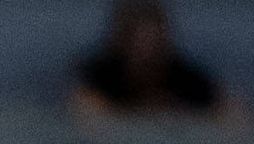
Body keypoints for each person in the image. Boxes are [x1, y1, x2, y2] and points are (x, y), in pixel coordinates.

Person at [71, 0, 236, 117]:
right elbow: (84, 107)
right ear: (122, 42)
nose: (147, 54)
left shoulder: (184, 77)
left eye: (154, 44)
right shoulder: (100, 75)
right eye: (138, 43)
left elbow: (229, 108)